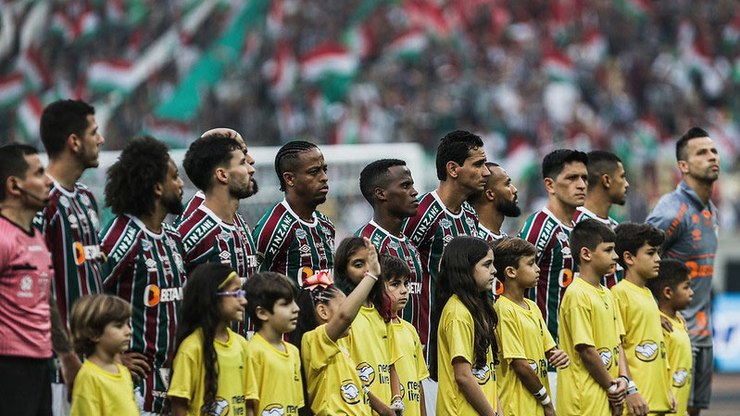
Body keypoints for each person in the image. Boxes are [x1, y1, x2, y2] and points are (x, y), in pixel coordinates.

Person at [99, 136, 186, 415]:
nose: (181, 184)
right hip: (135, 389)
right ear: (157, 187)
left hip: (173, 384)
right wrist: (110, 355)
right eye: (175, 177)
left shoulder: (172, 237)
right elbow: (85, 295)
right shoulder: (121, 237)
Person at [37, 99, 106, 414]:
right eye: (94, 132)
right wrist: (65, 354)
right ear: (74, 142)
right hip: (61, 369)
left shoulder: (86, 198)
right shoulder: (41, 201)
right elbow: (39, 286)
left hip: (97, 360)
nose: (101, 139)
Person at [645, 127, 720, 416]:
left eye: (713, 151)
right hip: (675, 333)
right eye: (702, 152)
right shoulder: (671, 210)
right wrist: (653, 312)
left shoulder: (710, 209)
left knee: (694, 410)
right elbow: (636, 258)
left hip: (703, 332)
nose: (712, 157)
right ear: (683, 166)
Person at [401, 130, 489, 365]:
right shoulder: (421, 213)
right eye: (479, 164)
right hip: (428, 342)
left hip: (463, 335)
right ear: (453, 169)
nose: (486, 172)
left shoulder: (470, 214)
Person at [0, 143, 69, 416]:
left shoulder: (36, 237)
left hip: (41, 365)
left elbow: (45, 300)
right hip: (9, 368)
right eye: (39, 173)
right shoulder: (3, 238)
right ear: (14, 186)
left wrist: (66, 354)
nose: (47, 181)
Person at [518, 149, 587, 399]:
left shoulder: (582, 226)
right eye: (571, 178)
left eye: (584, 178)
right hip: (548, 357)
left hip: (577, 355)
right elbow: (513, 287)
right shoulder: (539, 228)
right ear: (550, 184)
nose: (581, 185)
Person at [176, 133, 259, 335]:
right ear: (222, 175)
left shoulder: (241, 224)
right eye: (242, 162)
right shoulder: (190, 233)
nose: (251, 168)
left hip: (244, 352)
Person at [293, 239, 380, 416]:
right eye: (343, 304)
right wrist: (371, 275)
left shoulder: (341, 345)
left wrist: (383, 409)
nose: (350, 312)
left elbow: (359, 391)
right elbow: (344, 316)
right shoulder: (313, 341)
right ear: (323, 311)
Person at [492, 237, 569, 416]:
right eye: (531, 264)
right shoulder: (503, 310)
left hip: (536, 406)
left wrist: (559, 355)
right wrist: (547, 401)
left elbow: (550, 349)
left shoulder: (532, 306)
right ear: (511, 272)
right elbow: (520, 365)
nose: (537, 269)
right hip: (517, 407)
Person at [557, 219, 627, 416]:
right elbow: (587, 350)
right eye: (608, 250)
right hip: (583, 402)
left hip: (605, 396)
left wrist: (623, 381)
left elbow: (617, 344)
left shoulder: (607, 293)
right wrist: (612, 388)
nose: (615, 256)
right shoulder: (577, 294)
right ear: (586, 254)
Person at [168, 263, 253, 416]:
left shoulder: (242, 345)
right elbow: (179, 406)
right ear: (212, 297)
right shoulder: (191, 349)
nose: (244, 301)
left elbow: (248, 403)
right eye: (236, 293)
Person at [429, 236, 500, 416]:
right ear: (466, 269)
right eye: (487, 264)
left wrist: (498, 410)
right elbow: (463, 376)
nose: (494, 271)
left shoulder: (476, 310)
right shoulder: (457, 313)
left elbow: (489, 373)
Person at [333, 237, 401, 416]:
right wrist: (381, 407)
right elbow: (349, 374)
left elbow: (391, 364)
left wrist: (396, 399)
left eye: (371, 263)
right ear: (343, 272)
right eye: (358, 264)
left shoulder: (382, 314)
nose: (366, 270)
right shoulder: (345, 317)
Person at [253, 141, 335, 287]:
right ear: (289, 179)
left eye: (324, 170)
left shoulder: (326, 224)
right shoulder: (273, 228)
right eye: (314, 172)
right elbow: (254, 287)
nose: (324, 177)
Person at [356, 159, 423, 331]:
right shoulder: (364, 244)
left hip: (413, 348)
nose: (414, 192)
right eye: (405, 186)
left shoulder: (409, 244)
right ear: (381, 194)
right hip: (382, 353)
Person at [613, 223, 673, 415]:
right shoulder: (619, 293)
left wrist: (667, 390)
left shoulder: (647, 294)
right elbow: (617, 345)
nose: (658, 259)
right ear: (629, 258)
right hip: (637, 405)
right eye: (650, 253)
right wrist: (631, 390)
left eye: (658, 253)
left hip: (657, 402)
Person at [244, 272, 304, 415]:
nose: (296, 308)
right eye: (285, 304)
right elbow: (248, 406)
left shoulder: (293, 352)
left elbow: (296, 406)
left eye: (294, 302)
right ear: (262, 313)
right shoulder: (252, 352)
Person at [68, 294, 137, 415]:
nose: (128, 331)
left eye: (127, 324)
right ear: (94, 333)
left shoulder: (123, 371)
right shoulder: (88, 378)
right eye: (119, 326)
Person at [573, 150, 629, 288]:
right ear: (606, 180)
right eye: (622, 177)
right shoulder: (575, 225)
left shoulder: (615, 227)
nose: (626, 184)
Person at [647, 259, 694, 416]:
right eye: (686, 287)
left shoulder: (679, 321)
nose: (691, 292)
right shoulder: (659, 326)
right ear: (668, 292)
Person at [384, 255, 429, 416]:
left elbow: (419, 383)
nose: (403, 290)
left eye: (406, 284)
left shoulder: (410, 330)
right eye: (395, 284)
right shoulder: (377, 328)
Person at [178, 128, 247, 220]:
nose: (251, 161)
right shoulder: (192, 221)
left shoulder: (229, 211)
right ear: (221, 173)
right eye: (243, 156)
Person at [469, 162, 521, 243]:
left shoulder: (506, 241)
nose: (514, 190)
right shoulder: (473, 240)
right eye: (507, 184)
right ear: (490, 194)